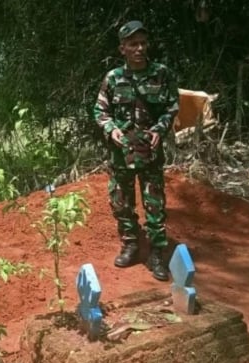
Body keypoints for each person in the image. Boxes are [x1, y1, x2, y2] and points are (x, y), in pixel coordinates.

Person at [93, 20, 179, 281]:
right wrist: (111, 130)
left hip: (150, 152)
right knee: (121, 202)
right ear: (123, 48)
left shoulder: (161, 74)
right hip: (121, 153)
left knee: (155, 205)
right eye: (133, 44)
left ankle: (156, 254)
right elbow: (100, 110)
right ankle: (130, 244)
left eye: (143, 43)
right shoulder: (113, 78)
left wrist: (160, 129)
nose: (139, 48)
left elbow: (172, 106)